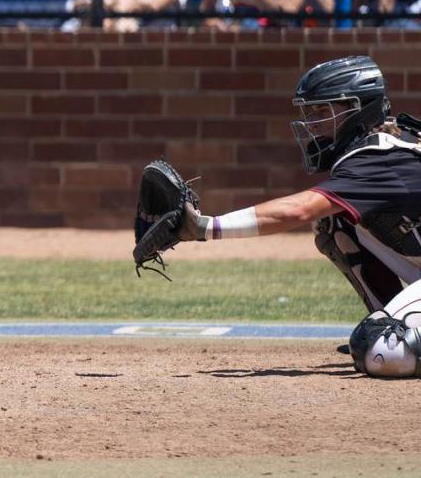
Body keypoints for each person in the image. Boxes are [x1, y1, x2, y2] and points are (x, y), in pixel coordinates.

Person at [159, 55, 421, 378]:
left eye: (324, 111)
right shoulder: (386, 146)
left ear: (359, 109)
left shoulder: (378, 157)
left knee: (385, 354)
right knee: (334, 223)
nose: (313, 124)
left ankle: (393, 333)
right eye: (311, 112)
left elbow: (299, 209)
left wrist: (205, 227)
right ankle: (390, 321)